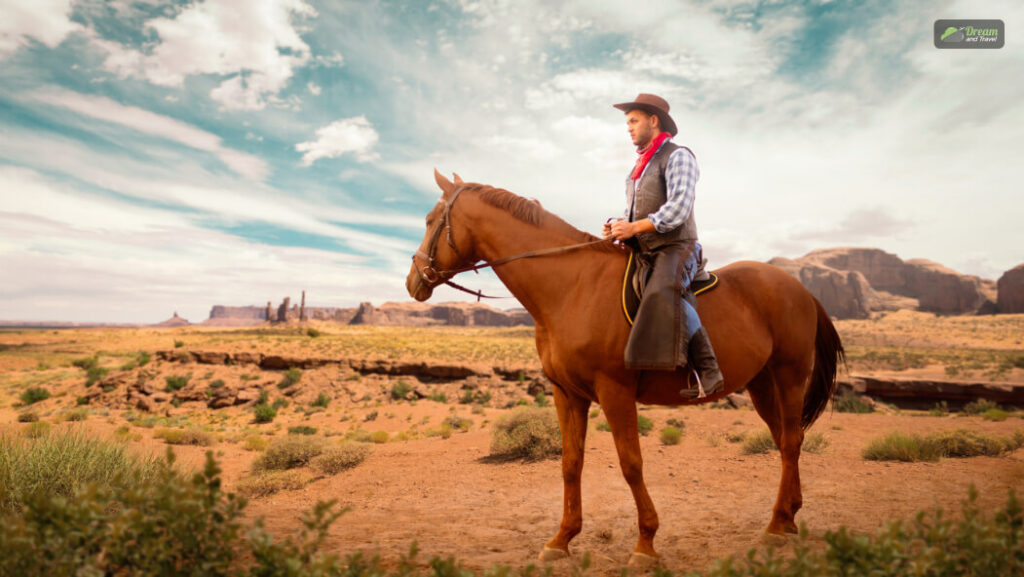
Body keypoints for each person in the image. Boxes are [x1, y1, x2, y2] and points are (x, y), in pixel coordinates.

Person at [602, 93, 724, 398]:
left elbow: (678, 208)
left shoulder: (678, 155)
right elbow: (637, 213)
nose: (628, 128)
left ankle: (708, 370)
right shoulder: (639, 167)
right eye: (627, 122)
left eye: (633, 121)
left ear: (653, 121)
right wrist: (618, 225)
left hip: (677, 246)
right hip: (645, 248)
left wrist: (634, 226)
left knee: (661, 290)